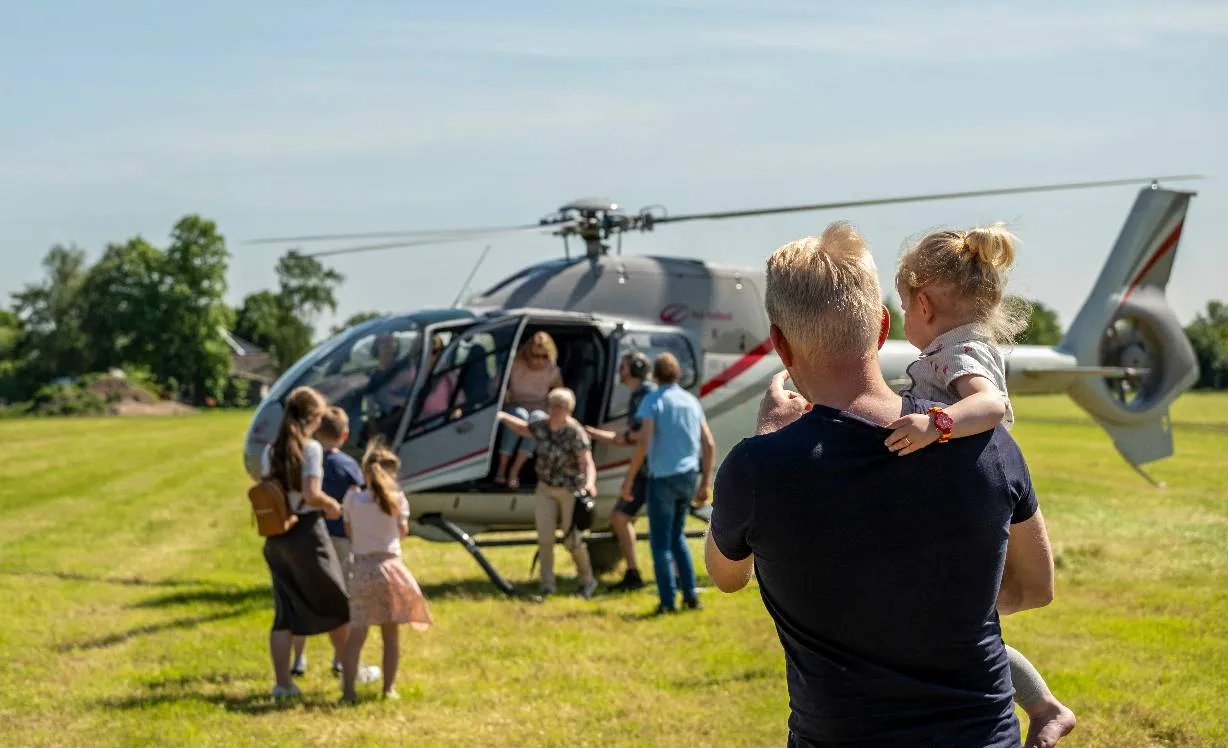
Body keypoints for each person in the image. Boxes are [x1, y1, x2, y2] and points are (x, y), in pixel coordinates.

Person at [705, 222, 1067, 747]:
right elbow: (1035, 588)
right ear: (880, 328)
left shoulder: (757, 467)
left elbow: (726, 575)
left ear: (781, 344)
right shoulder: (987, 443)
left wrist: (766, 438)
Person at [883, 222, 1078, 740]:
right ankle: (1045, 708)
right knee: (967, 633)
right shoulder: (950, 350)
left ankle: (1046, 708)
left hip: (962, 511)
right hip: (958, 502)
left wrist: (935, 425)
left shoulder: (959, 353)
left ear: (923, 304)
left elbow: (991, 404)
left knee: (966, 633)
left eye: (904, 306)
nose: (905, 317)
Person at [259, 386, 350, 702]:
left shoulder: (270, 450)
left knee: (284, 613)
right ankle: (351, 671)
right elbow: (311, 493)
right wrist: (331, 505)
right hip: (307, 532)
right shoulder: (310, 449)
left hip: (276, 535)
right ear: (312, 417)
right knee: (338, 604)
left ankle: (283, 684)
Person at [620, 352, 716, 615]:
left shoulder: (653, 400)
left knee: (660, 543)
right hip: (688, 477)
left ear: (655, 375)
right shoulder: (691, 401)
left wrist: (628, 481)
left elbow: (645, 442)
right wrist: (706, 482)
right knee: (678, 537)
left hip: (662, 477)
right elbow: (709, 443)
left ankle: (667, 601)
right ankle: (691, 596)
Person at [290, 406, 380, 685]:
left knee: (302, 596)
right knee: (341, 599)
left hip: (307, 535)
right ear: (345, 435)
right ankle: (342, 659)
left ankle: (298, 659)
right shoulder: (347, 467)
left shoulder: (303, 459)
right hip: (339, 538)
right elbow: (359, 502)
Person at [340, 440, 432, 703]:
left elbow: (349, 531)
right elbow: (402, 532)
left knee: (356, 635)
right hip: (389, 568)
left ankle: (348, 691)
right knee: (390, 635)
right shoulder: (397, 500)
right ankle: (388, 688)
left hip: (361, 569)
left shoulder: (351, 498)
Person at [496, 387, 599, 599]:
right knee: (545, 538)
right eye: (552, 405)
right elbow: (524, 429)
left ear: (569, 409)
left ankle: (588, 580)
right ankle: (547, 584)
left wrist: (590, 484)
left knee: (572, 540)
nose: (555, 410)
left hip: (570, 489)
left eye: (560, 406)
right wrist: (502, 416)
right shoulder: (542, 426)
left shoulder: (575, 432)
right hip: (545, 487)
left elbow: (587, 462)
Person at [585, 351, 656, 591]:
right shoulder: (638, 394)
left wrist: (615, 437)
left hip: (651, 470)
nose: (620, 371)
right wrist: (596, 433)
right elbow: (629, 433)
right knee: (622, 518)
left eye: (623, 367)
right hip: (650, 468)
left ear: (634, 369)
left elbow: (640, 436)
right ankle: (635, 572)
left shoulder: (645, 394)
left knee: (623, 517)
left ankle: (635, 573)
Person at [494, 332, 564, 489]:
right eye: (535, 356)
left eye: (544, 357)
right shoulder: (514, 365)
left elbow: (561, 394)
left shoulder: (552, 370)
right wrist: (505, 394)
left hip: (539, 407)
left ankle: (514, 471)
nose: (539, 361)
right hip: (515, 404)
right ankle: (501, 468)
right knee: (520, 415)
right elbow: (496, 385)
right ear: (527, 354)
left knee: (538, 419)